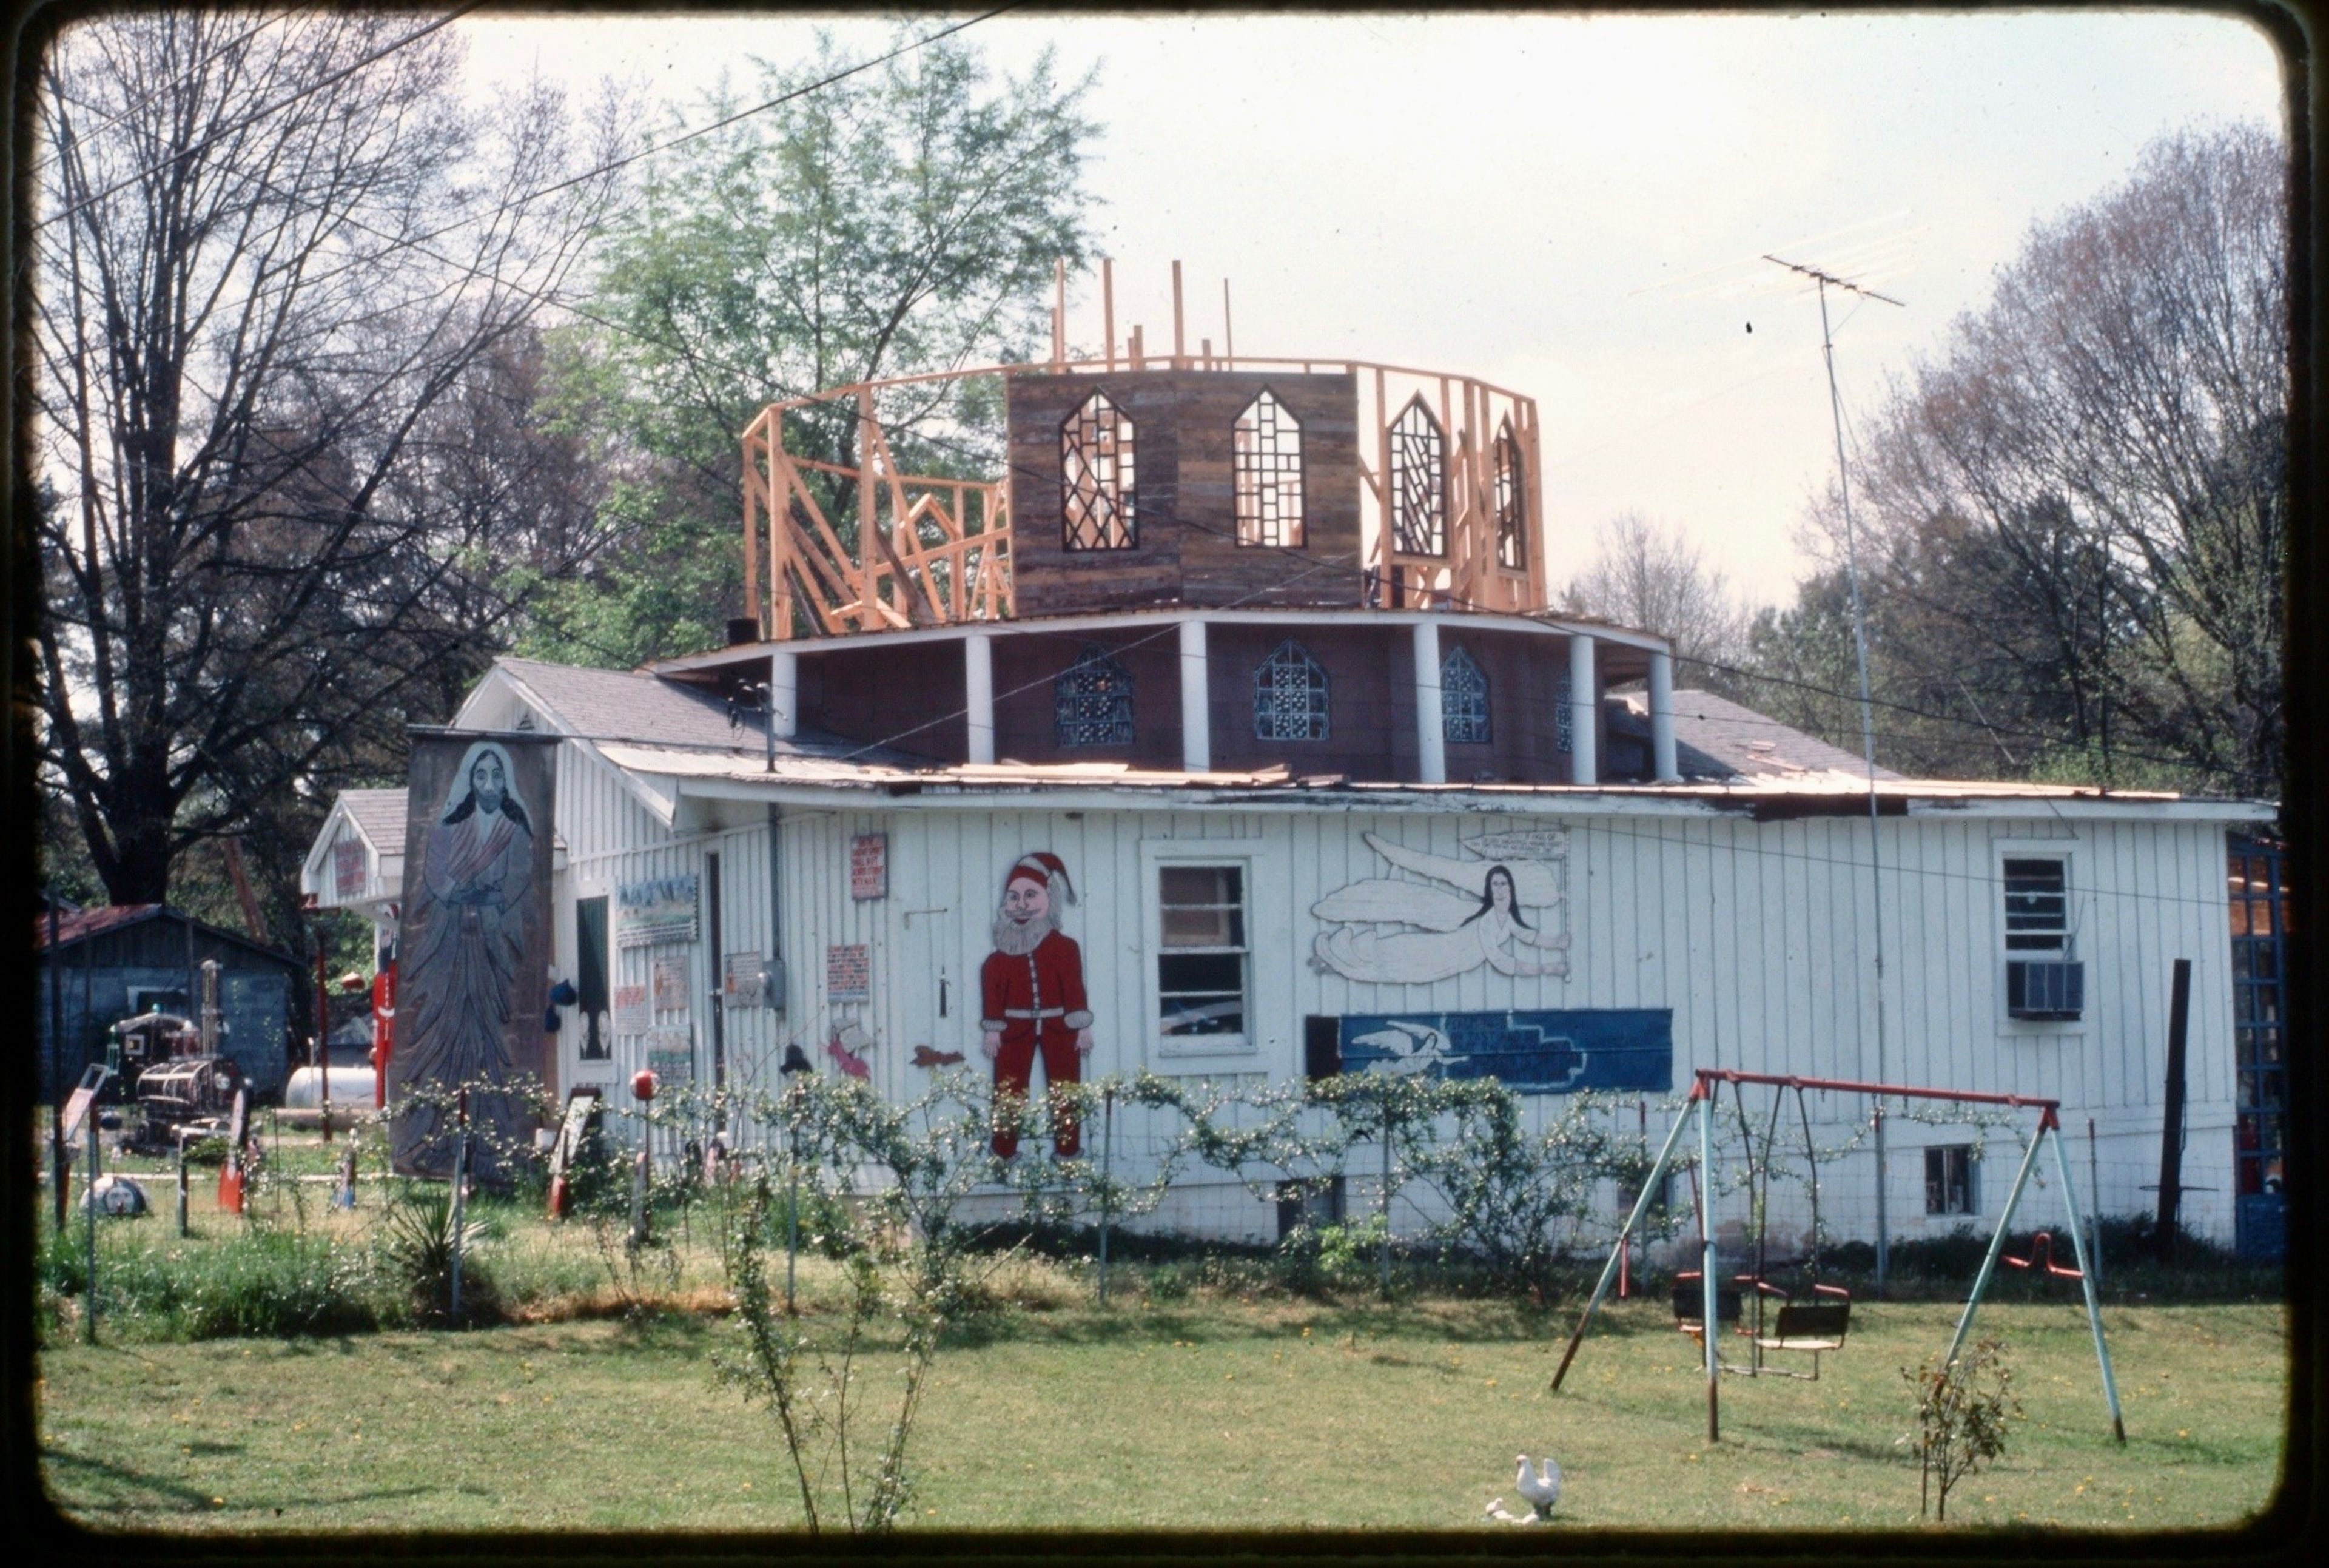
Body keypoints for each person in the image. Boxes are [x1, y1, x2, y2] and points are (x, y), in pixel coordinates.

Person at [395, 742, 536, 1169]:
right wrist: (464, 893)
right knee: (447, 1031)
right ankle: (438, 1139)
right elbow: (437, 877)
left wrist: (487, 897)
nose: (489, 785)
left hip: (489, 949)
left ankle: (490, 1141)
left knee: (487, 1038)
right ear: (469, 782)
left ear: (507, 782)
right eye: (481, 776)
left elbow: (516, 884)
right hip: (452, 949)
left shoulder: (515, 834)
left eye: (497, 776)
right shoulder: (448, 830)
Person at [980, 852, 1093, 1158]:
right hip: (1015, 1029)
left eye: (1031, 895)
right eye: (1014, 897)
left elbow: (1073, 988)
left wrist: (1082, 1026)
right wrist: (993, 1030)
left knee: (1065, 1090)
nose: (1022, 904)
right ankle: (1003, 1153)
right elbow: (993, 994)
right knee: (1009, 1091)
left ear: (1049, 898)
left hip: (1060, 1027)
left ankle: (1068, 1153)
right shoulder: (998, 958)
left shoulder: (1065, 948)